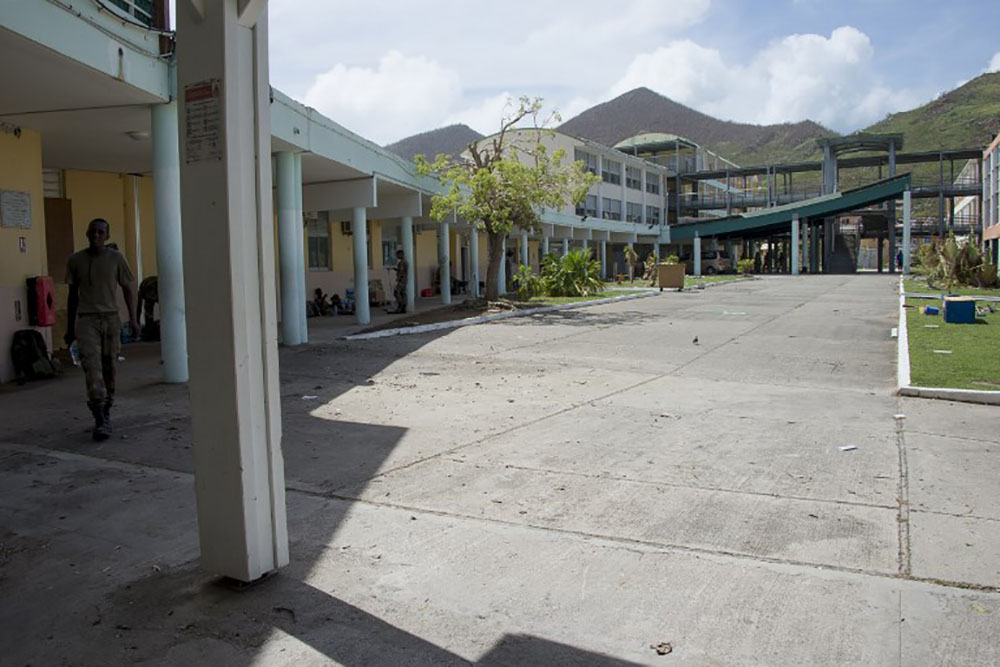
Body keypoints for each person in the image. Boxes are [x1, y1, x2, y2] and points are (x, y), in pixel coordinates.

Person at [65, 219, 139, 441]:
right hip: (87, 321)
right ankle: (100, 419)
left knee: (110, 368)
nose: (96, 235)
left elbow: (128, 289)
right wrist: (70, 328)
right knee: (92, 369)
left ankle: (106, 411)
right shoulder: (76, 260)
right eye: (92, 231)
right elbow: (72, 297)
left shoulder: (116, 259)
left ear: (106, 235)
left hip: (110, 320)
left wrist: (134, 319)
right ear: (87, 233)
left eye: (100, 232)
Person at [389, 249, 408, 313]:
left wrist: (397, 279)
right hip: (404, 280)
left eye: (397, 254)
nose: (397, 256)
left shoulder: (402, 262)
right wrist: (395, 269)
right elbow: (401, 270)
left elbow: (401, 272)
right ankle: (403, 307)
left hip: (401, 280)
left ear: (400, 254)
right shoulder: (405, 261)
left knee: (396, 292)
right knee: (403, 293)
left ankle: (400, 306)